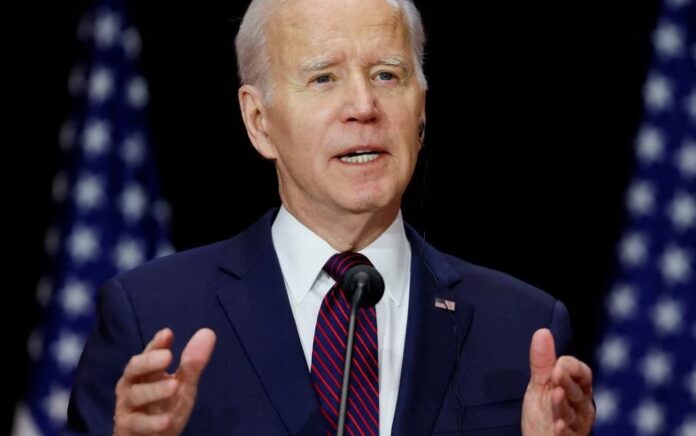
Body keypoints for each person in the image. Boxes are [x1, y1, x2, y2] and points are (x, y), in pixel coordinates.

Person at [65, 0, 595, 434]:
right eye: (323, 79)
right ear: (258, 121)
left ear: (422, 112)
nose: (364, 105)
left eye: (387, 75)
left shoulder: (523, 329)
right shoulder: (153, 317)